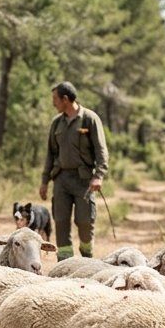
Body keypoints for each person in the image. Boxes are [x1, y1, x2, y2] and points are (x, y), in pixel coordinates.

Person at [39, 81, 108, 260]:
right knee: (61, 222)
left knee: (85, 222)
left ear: (66, 99)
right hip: (61, 179)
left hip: (84, 180)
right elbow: (50, 154)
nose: (53, 103)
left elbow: (101, 151)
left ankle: (86, 257)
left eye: (55, 99)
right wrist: (45, 181)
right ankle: (64, 262)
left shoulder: (89, 119)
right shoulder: (56, 123)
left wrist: (98, 176)